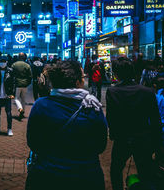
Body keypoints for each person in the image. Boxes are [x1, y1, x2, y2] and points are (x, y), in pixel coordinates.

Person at [26, 61, 107, 190]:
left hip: (47, 175)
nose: (84, 80)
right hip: (85, 176)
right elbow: (100, 145)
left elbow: (33, 141)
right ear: (77, 83)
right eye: (82, 77)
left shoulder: (41, 105)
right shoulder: (92, 107)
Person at [106, 57, 162, 190]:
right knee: (145, 172)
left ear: (116, 73)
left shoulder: (113, 92)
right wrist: (157, 143)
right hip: (143, 138)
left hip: (122, 138)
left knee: (116, 169)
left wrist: (114, 134)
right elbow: (155, 120)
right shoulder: (147, 92)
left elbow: (111, 117)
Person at [0, 56, 15, 136]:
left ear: (6, 62)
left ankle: (9, 129)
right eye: (1, 61)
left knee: (8, 113)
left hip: (7, 95)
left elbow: (13, 83)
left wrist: (12, 94)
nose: (2, 63)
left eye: (4, 61)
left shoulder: (10, 71)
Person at [12, 52, 32, 118]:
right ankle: (22, 112)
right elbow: (30, 76)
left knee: (16, 98)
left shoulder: (14, 65)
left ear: (18, 57)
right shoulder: (27, 65)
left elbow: (11, 75)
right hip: (25, 84)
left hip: (17, 84)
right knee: (23, 99)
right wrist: (27, 83)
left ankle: (20, 108)